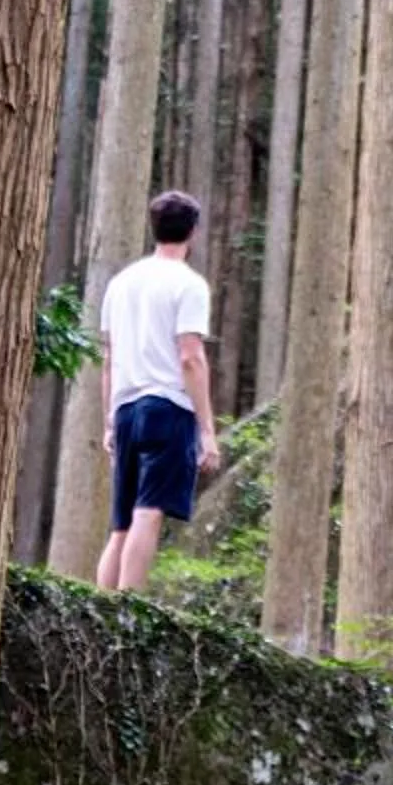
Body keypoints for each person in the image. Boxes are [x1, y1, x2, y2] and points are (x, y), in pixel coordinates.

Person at [94, 190, 222, 593]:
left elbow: (110, 359)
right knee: (148, 512)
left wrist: (110, 420)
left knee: (121, 524)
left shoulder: (121, 283)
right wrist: (206, 430)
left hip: (127, 407)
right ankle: (128, 605)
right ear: (193, 233)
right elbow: (190, 357)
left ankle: (103, 606)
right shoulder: (189, 285)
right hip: (167, 406)